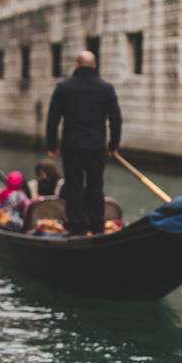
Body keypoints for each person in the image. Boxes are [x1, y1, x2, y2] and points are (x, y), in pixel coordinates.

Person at [46, 51, 122, 235]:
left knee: (74, 186)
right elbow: (116, 119)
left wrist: (52, 144)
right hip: (96, 147)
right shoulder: (106, 88)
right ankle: (96, 226)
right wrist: (113, 145)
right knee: (96, 186)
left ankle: (78, 226)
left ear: (77, 65)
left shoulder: (64, 87)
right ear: (94, 65)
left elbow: (53, 118)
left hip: (72, 146)